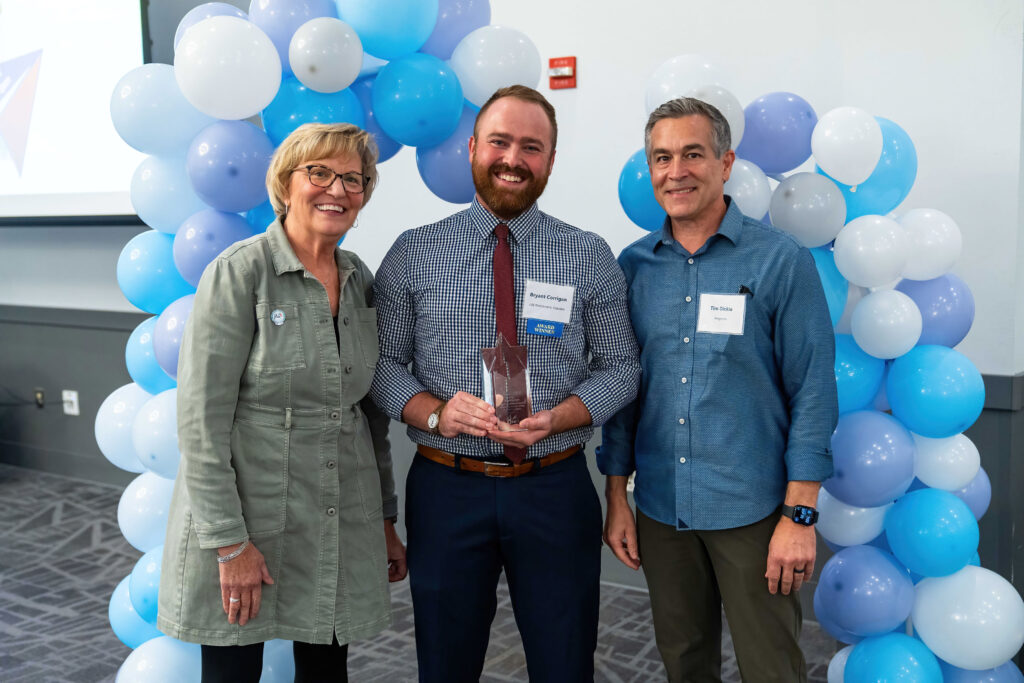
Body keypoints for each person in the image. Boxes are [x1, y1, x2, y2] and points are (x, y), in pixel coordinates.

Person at [370, 85, 640, 683]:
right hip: (447, 489)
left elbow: (622, 368)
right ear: (472, 148)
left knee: (565, 660)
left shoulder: (587, 254)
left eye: (531, 146)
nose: (513, 158)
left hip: (554, 486)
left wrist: (566, 415)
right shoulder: (414, 253)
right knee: (445, 662)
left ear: (549, 160)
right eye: (499, 141)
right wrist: (437, 414)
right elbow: (382, 368)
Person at [599, 97, 838, 683]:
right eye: (661, 157)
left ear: (726, 162)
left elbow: (812, 388)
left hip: (754, 511)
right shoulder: (632, 268)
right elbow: (623, 390)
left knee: (771, 667)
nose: (675, 171)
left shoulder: (779, 262)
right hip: (660, 508)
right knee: (683, 662)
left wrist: (799, 515)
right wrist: (616, 498)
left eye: (692, 154)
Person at [158, 122, 407, 683]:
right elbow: (201, 423)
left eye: (354, 178)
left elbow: (366, 415)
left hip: (338, 510)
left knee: (327, 668)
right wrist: (229, 544)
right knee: (232, 669)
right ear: (285, 184)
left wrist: (385, 520)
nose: (337, 190)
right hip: (250, 513)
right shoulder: (239, 272)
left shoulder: (359, 278)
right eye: (319, 173)